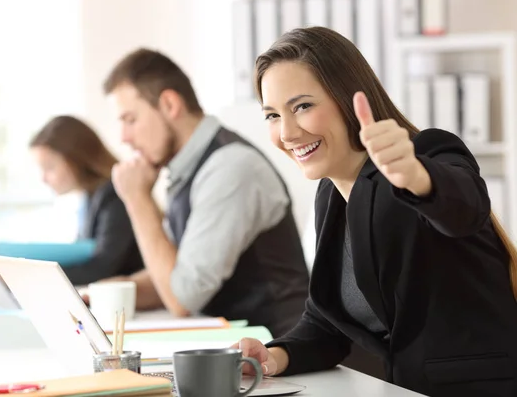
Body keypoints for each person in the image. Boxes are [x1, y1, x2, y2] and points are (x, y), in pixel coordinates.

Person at [235, 27, 517, 397]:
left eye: (302, 106)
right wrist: (272, 356)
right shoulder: (331, 194)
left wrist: (417, 177)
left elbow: (466, 208)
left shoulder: (426, 153)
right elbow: (328, 324)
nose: (286, 132)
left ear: (348, 98)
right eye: (272, 115)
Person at [102, 48, 309, 337]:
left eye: (130, 119)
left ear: (170, 104)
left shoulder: (230, 167)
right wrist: (106, 291)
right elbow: (175, 273)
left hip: (281, 355)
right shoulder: (188, 167)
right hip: (238, 349)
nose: (124, 137)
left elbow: (182, 298)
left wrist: (137, 199)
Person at [29, 115, 144, 285]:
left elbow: (102, 268)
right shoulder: (92, 198)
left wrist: (34, 277)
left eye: (50, 167)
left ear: (76, 159)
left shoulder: (115, 195)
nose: (44, 179)